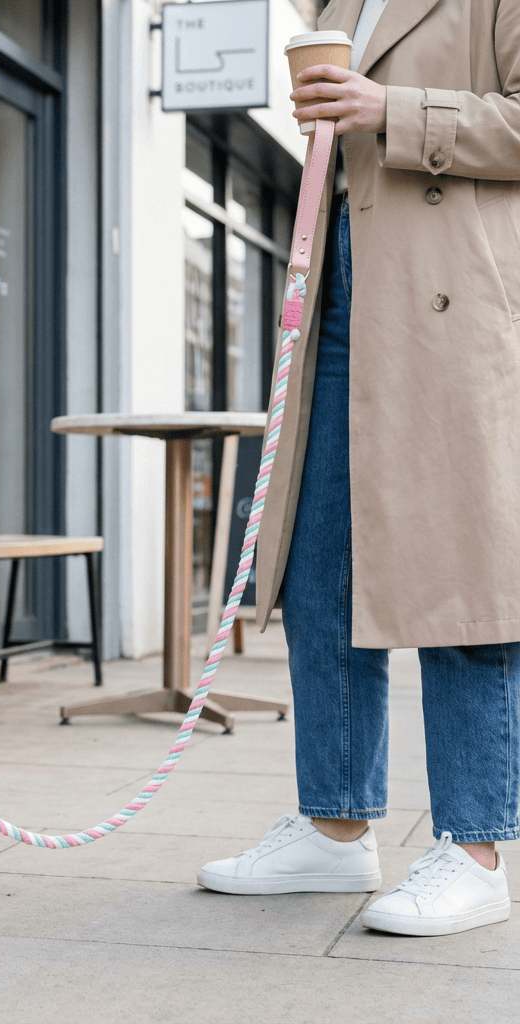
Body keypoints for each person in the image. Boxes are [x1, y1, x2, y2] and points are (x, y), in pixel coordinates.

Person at [197, 0, 520, 936]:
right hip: (340, 287)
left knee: (463, 575)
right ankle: (334, 826)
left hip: (450, 306)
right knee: (319, 562)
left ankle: (475, 848)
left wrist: (396, 110)